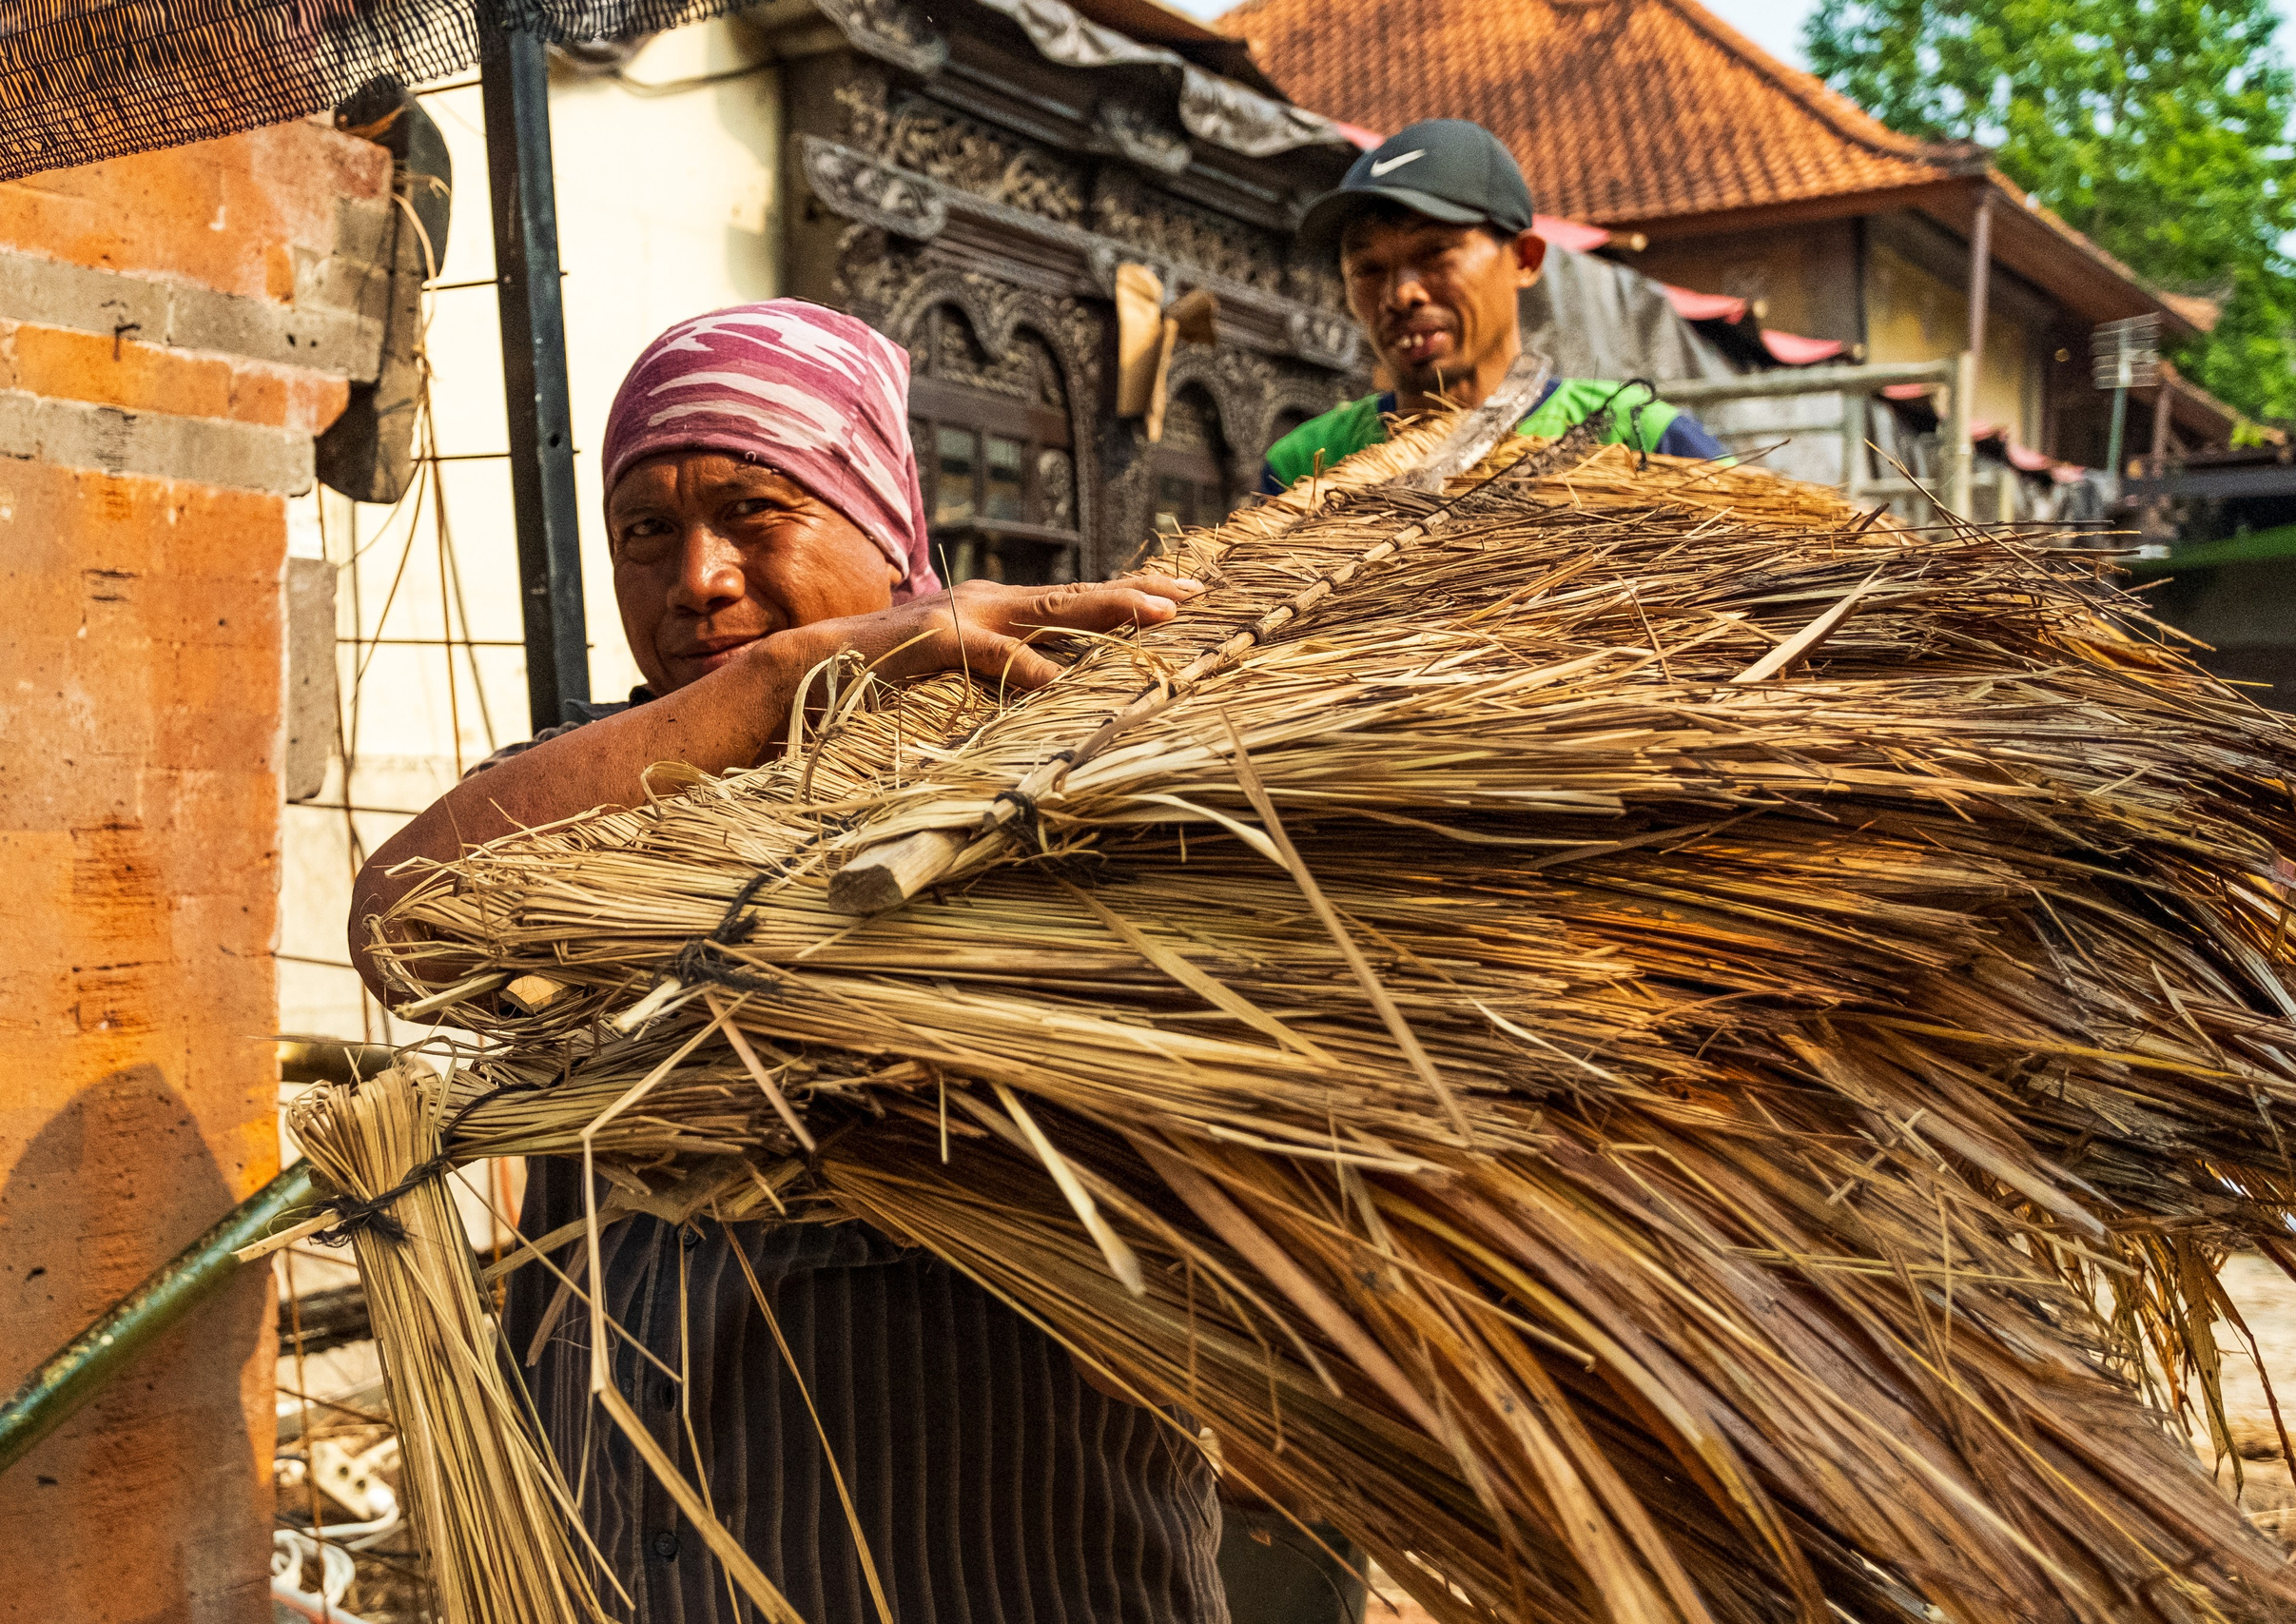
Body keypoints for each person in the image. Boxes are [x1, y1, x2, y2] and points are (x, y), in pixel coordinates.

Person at [347, 300, 1225, 1624]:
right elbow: (400, 923)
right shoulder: (617, 787)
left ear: (892, 543)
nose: (695, 576)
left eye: (758, 511)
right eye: (646, 529)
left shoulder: (1053, 778)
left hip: (982, 1566)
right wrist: (775, 683)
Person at [1261, 119, 1727, 495]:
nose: (1401, 294)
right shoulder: (1308, 464)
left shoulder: (1632, 434)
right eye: (1368, 269)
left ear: (1525, 260)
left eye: (1434, 254)